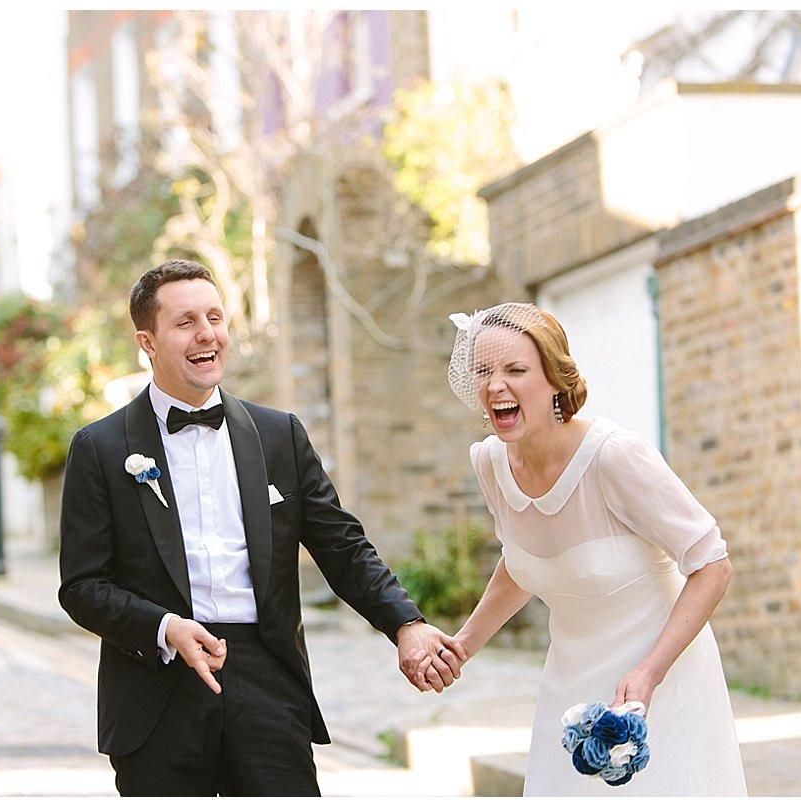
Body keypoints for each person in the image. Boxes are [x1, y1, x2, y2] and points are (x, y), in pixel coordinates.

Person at [58, 258, 465, 797]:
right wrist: (164, 628)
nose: (207, 334)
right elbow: (82, 586)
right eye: (185, 323)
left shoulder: (280, 436)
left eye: (215, 317)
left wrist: (405, 623)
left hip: (267, 681)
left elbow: (342, 546)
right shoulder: (100, 448)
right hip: (157, 689)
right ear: (147, 342)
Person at [404, 302, 747, 796]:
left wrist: (649, 674)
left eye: (516, 370)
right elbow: (520, 562)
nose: (495, 385)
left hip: (658, 679)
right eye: (483, 371)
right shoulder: (489, 462)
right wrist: (464, 645)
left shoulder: (614, 456)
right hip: (569, 682)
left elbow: (712, 564)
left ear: (554, 379)